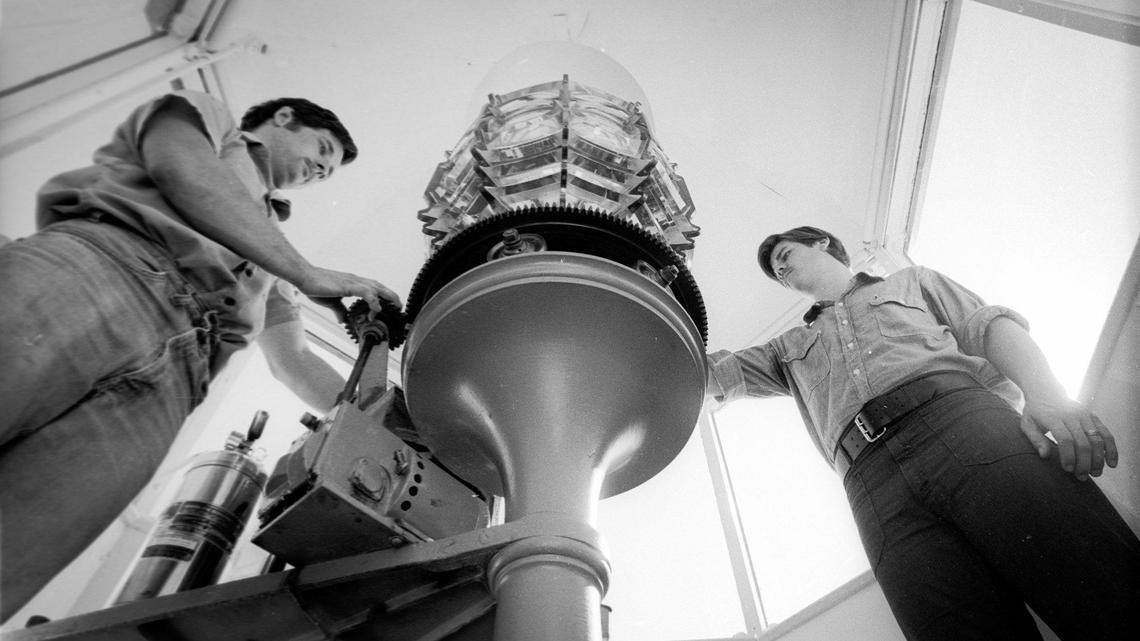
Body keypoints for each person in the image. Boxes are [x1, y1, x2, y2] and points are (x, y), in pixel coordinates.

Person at [0, 90, 402, 620]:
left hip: (174, 384)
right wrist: (306, 273)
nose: (318, 170)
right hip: (102, 269)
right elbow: (180, 167)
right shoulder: (212, 120)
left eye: (326, 174)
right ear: (282, 119)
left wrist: (389, 424)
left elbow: (293, 361)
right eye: (321, 149)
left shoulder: (269, 254)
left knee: (20, 551)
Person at [705, 226, 1140, 641]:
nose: (779, 268)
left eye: (784, 254)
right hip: (871, 485)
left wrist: (1046, 395)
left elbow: (988, 325)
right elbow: (703, 373)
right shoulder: (785, 349)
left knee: (1096, 582)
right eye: (776, 273)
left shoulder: (912, 281)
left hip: (967, 425)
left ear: (821, 242)